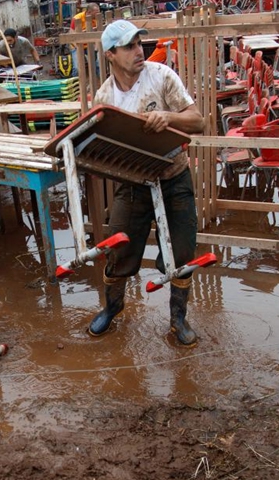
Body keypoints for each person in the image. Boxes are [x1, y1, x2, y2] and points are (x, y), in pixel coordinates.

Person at [89, 20, 205, 347]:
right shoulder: (105, 96)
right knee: (119, 249)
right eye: (129, 46)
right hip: (132, 182)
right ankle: (112, 307)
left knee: (182, 252)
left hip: (173, 176)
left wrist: (169, 117)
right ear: (111, 54)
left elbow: (198, 120)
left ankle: (178, 319)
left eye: (140, 43)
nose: (139, 51)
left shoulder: (161, 77)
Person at [68, 2, 101, 77]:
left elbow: (97, 35)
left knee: (98, 64)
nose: (98, 14)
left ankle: (100, 83)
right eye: (96, 13)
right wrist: (78, 48)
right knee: (77, 67)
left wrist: (96, 49)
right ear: (89, 12)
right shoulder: (77, 18)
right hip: (76, 45)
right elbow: (71, 34)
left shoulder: (96, 19)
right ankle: (76, 85)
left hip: (89, 45)